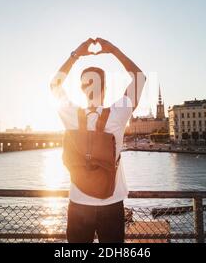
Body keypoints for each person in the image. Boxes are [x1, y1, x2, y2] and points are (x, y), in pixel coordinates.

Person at [50, 37, 146, 243]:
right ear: (105, 87)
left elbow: (54, 84)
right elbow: (139, 77)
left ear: (82, 89)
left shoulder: (71, 115)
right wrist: (113, 50)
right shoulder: (117, 114)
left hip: (78, 201)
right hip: (111, 202)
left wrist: (75, 54)